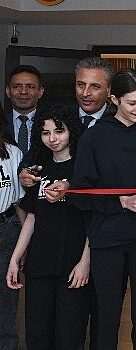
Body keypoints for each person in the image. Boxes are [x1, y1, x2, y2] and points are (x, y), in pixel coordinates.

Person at [71, 68, 136, 350]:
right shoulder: (94, 137)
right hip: (107, 237)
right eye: (132, 103)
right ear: (114, 100)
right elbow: (80, 194)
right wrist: (121, 202)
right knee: (107, 314)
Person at [6, 104, 89, 349]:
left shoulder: (83, 170)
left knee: (69, 335)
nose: (52, 138)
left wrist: (86, 261)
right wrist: (16, 258)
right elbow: (32, 217)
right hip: (40, 263)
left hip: (72, 264)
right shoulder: (39, 170)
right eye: (45, 132)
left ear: (71, 132)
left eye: (58, 131)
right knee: (38, 334)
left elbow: (93, 220)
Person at [19, 56, 114, 187]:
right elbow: (35, 153)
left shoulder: (117, 122)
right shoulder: (59, 115)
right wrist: (25, 172)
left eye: (95, 86)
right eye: (81, 85)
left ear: (109, 90)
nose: (85, 93)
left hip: (98, 202)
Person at [0, 112, 26, 350]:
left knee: (6, 299)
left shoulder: (12, 153)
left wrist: (24, 248)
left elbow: (20, 202)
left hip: (6, 228)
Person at [5, 65, 44, 154]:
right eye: (17, 86)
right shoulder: (2, 122)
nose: (23, 91)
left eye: (30, 87)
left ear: (40, 92)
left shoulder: (51, 123)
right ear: (8, 91)